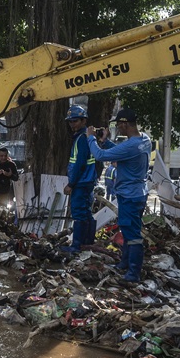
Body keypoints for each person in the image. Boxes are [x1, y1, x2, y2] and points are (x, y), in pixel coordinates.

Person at [87, 108, 152, 283]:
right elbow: (122, 152)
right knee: (128, 229)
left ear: (124, 124)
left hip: (129, 195)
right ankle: (125, 263)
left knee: (132, 235)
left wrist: (91, 138)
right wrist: (106, 141)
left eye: (119, 125)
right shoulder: (144, 139)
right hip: (139, 192)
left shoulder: (130, 145)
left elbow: (100, 156)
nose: (119, 129)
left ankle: (133, 272)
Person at [63, 104, 98, 254]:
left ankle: (77, 245)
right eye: (70, 121)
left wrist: (71, 183)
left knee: (79, 213)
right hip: (86, 181)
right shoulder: (84, 137)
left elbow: (80, 163)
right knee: (86, 213)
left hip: (81, 182)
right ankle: (87, 243)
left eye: (75, 121)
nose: (72, 124)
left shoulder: (82, 139)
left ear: (84, 121)